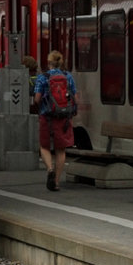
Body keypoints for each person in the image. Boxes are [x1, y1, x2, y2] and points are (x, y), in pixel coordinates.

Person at [33, 50, 76, 191]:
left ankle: (50, 169)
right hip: (63, 118)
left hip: (47, 116)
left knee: (44, 146)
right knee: (60, 150)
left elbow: (37, 99)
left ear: (49, 63)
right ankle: (56, 182)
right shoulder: (68, 76)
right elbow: (74, 97)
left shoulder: (42, 77)